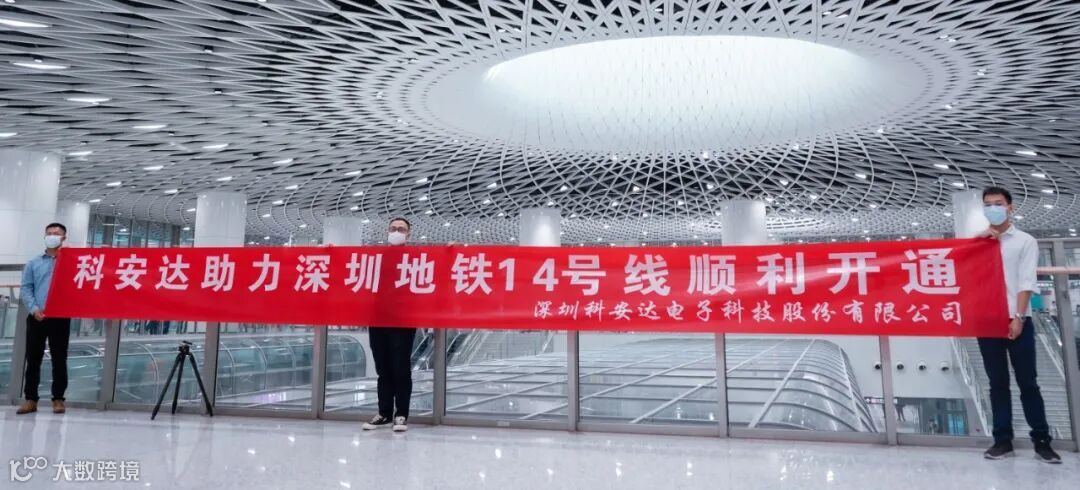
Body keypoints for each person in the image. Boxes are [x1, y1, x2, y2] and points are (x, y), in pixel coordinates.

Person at [977, 187, 1061, 463]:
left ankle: (1041, 441)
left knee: (1028, 382)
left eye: (998, 203)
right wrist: (979, 240)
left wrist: (1019, 317)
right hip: (987, 320)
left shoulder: (1025, 241)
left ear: (1010, 207)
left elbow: (1026, 282)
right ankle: (1002, 440)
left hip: (1017, 318)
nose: (993, 208)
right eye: (988, 204)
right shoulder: (977, 243)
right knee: (997, 383)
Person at [362, 217, 418, 432]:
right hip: (378, 318)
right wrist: (331, 252)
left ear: (408, 234)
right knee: (383, 369)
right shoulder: (378, 257)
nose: (396, 232)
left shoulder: (415, 258)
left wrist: (452, 250)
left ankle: (401, 414)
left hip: (403, 320)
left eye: (401, 229)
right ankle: (384, 413)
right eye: (393, 228)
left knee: (401, 368)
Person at [16, 222, 72, 415]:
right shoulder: (33, 263)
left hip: (60, 317)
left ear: (63, 238)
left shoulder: (70, 262)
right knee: (33, 358)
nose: (52, 236)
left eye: (56, 233)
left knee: (59, 359)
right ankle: (31, 399)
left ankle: (58, 399)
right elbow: (26, 288)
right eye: (49, 233)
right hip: (37, 317)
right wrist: (34, 309)